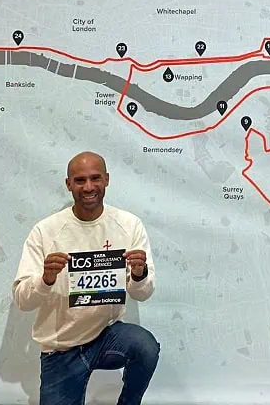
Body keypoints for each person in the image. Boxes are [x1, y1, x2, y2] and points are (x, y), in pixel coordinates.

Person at [12, 151, 160, 405]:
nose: (89, 187)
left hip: (107, 337)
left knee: (145, 346)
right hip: (61, 350)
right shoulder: (45, 231)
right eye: (80, 180)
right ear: (68, 184)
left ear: (107, 180)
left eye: (95, 178)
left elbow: (143, 293)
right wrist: (45, 279)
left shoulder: (129, 224)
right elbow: (22, 300)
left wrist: (139, 273)